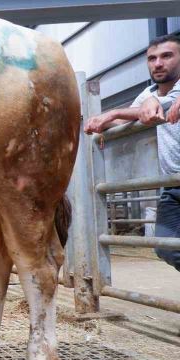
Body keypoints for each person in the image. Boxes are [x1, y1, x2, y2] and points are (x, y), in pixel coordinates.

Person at [84, 34, 180, 271]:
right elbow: (133, 120)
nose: (158, 63)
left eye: (167, 56)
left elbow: (158, 108)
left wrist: (114, 112)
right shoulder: (147, 95)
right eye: (152, 58)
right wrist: (104, 123)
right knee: (166, 247)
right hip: (172, 185)